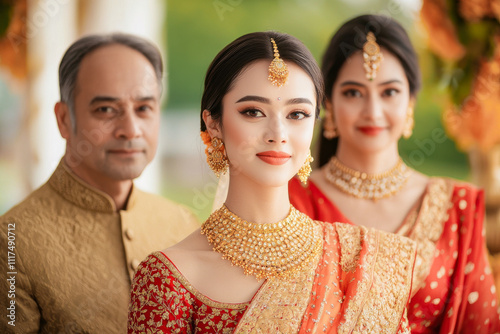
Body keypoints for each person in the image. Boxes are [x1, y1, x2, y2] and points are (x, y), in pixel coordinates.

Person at [128, 31, 418, 333]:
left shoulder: (358, 260)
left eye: (297, 114)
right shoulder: (170, 277)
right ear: (214, 123)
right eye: (253, 111)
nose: (278, 133)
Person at [289, 15, 500, 333]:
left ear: (410, 102)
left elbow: (481, 324)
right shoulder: (290, 200)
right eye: (353, 93)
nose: (373, 111)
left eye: (389, 92)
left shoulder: (456, 208)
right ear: (328, 104)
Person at [0, 33, 199, 333]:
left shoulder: (182, 224)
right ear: (64, 119)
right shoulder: (11, 240)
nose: (130, 130)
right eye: (106, 110)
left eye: (144, 108)